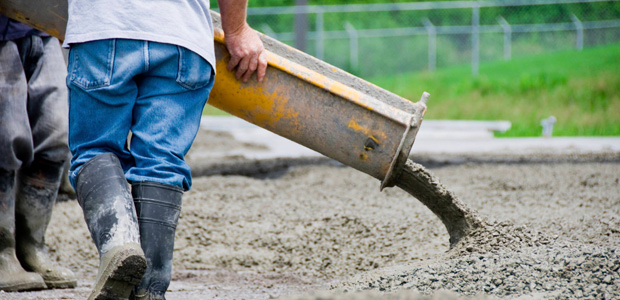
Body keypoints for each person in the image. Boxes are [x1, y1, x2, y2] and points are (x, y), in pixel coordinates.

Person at [63, 0, 267, 299]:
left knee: (95, 149)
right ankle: (149, 289)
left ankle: (119, 244)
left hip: (103, 26)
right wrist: (236, 29)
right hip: (181, 36)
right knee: (161, 162)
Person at [0, 15, 78, 291]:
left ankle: (32, 248)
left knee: (56, 133)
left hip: (41, 26)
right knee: (5, 136)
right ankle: (3, 252)